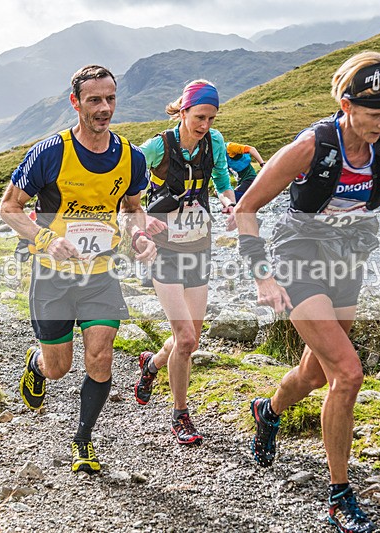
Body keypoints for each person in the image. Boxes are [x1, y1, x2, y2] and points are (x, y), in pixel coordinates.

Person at [235, 52, 380, 533]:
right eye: (374, 115)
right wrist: (263, 276)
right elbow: (245, 208)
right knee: (348, 373)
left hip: (348, 259)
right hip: (298, 257)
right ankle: (340, 494)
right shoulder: (312, 146)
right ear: (347, 105)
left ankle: (268, 410)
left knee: (314, 373)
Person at [0, 65, 157, 475]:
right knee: (59, 368)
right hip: (52, 274)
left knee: (101, 357)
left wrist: (139, 236)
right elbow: (9, 207)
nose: (104, 108)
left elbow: (133, 208)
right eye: (94, 100)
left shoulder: (132, 157)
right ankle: (37, 363)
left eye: (110, 99)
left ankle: (83, 440)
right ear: (76, 102)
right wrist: (46, 239)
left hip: (100, 274)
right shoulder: (50, 153)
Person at [133, 80, 237, 445]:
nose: (205, 125)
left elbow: (221, 180)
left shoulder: (215, 142)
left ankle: (151, 364)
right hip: (164, 249)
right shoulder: (158, 146)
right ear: (183, 112)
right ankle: (180, 415)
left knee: (188, 341)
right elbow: (127, 189)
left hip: (198, 245)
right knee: (187, 337)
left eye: (211, 118)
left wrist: (228, 203)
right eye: (199, 117)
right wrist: (141, 225)